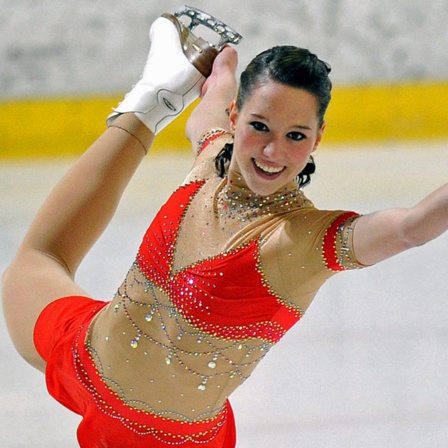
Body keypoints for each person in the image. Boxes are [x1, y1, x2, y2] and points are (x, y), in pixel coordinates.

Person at [2, 6, 448, 448]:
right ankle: (152, 100)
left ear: (318, 137)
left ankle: (152, 101)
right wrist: (221, 65)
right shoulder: (211, 158)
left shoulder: (306, 240)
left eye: (295, 135)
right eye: (259, 127)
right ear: (235, 118)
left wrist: (225, 69)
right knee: (33, 265)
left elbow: (411, 227)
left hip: (164, 439)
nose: (273, 151)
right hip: (84, 354)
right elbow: (208, 108)